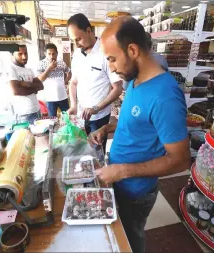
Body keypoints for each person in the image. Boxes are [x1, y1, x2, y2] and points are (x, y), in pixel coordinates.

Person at [89, 17, 191, 253]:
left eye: (112, 59)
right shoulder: (133, 81)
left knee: (130, 241)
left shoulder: (165, 96)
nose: (111, 67)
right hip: (119, 180)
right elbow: (135, 123)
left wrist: (123, 170)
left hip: (135, 191)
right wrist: (106, 129)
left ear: (133, 50)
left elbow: (180, 160)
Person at [67, 13, 123, 151]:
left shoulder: (105, 53)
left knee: (96, 153)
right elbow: (73, 82)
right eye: (74, 40)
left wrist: (95, 108)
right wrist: (73, 106)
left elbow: (117, 88)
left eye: (78, 39)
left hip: (99, 117)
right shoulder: (77, 55)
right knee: (81, 149)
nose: (76, 44)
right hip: (80, 116)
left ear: (88, 31)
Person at [8, 45, 44, 124]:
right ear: (12, 54)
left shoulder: (29, 70)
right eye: (20, 54)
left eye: (26, 53)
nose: (24, 57)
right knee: (26, 136)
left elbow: (41, 86)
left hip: (36, 111)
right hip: (24, 114)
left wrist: (28, 84)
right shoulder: (11, 69)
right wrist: (34, 89)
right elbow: (16, 91)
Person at [37, 43, 72, 117]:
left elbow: (69, 72)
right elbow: (40, 79)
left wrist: (65, 82)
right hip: (50, 98)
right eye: (49, 54)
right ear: (45, 54)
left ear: (57, 53)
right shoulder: (41, 63)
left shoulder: (61, 62)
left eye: (53, 53)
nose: (52, 56)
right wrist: (49, 68)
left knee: (67, 118)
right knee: (52, 120)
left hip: (63, 97)